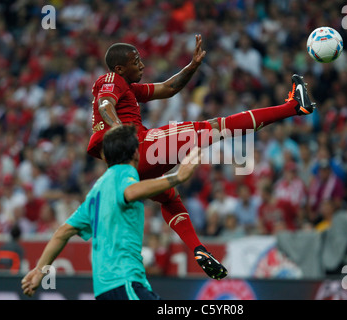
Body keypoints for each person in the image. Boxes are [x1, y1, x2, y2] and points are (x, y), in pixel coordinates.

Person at [86, 34, 315, 278]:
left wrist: (192, 66)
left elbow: (168, 88)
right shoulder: (111, 79)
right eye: (136, 61)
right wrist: (123, 135)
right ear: (120, 68)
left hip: (126, 168)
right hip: (138, 148)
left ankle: (198, 248)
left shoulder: (128, 88)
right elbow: (105, 106)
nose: (141, 64)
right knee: (216, 127)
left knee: (170, 199)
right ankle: (294, 106)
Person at [21, 125, 227, 300]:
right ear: (136, 153)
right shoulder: (126, 173)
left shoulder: (95, 191)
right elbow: (130, 192)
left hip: (103, 290)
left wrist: (40, 270)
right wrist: (177, 177)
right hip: (125, 281)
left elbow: (62, 232)